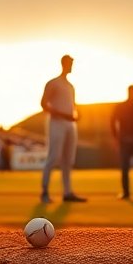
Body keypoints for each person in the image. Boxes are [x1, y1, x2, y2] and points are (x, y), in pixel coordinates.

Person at [39, 54, 86, 203]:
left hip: (70, 124)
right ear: (63, 64)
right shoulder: (53, 83)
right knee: (53, 157)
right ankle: (44, 192)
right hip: (57, 122)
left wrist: (76, 113)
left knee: (68, 159)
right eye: (69, 63)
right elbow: (44, 104)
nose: (71, 66)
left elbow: (73, 105)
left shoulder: (70, 85)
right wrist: (63, 114)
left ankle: (67, 192)